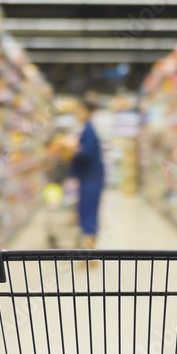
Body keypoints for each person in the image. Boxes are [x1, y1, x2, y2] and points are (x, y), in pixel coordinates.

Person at [70, 98, 105, 248]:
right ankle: (90, 251)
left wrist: (72, 148)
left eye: (78, 110)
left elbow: (87, 153)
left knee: (89, 213)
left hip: (91, 178)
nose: (76, 113)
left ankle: (90, 254)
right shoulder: (87, 128)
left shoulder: (89, 130)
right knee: (88, 212)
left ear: (86, 111)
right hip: (89, 177)